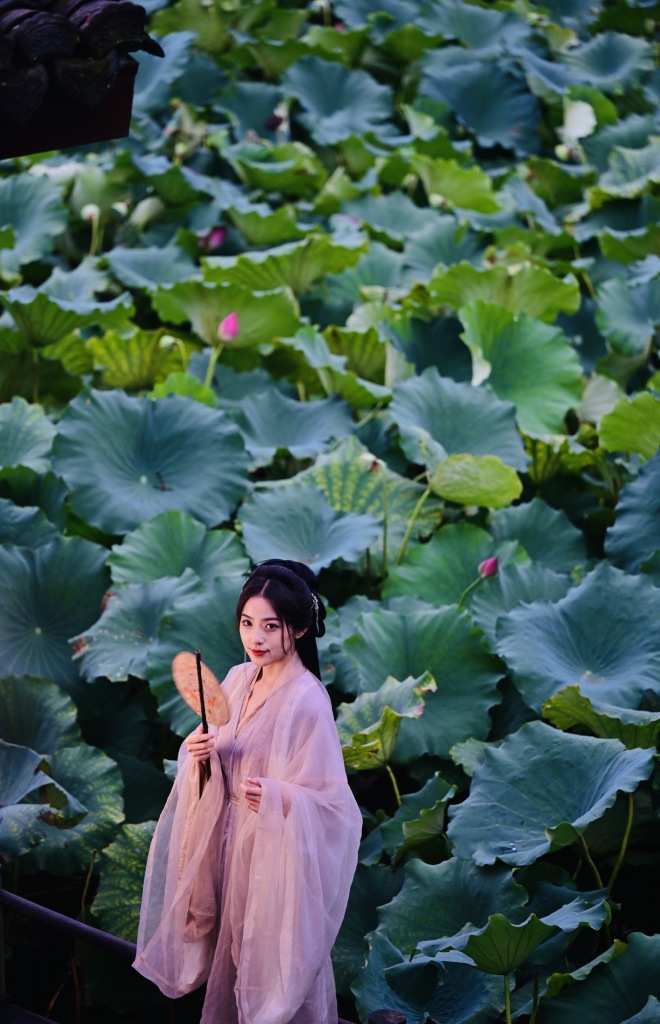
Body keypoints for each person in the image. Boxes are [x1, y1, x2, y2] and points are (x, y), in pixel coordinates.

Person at [133, 559, 363, 1024]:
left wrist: (281, 797)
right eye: (247, 623)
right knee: (225, 960)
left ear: (298, 629)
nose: (255, 638)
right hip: (223, 844)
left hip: (267, 857)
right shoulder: (237, 679)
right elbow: (219, 756)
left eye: (270, 626)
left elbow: (335, 809)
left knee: (261, 974)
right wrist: (198, 754)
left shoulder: (307, 700)